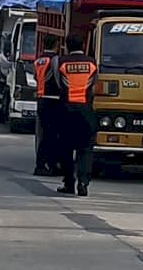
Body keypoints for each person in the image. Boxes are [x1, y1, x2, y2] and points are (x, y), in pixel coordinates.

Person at [54, 36, 98, 197]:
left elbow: (59, 84)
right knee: (86, 149)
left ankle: (69, 183)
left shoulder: (60, 62)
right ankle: (83, 183)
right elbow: (93, 85)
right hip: (86, 111)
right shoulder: (92, 63)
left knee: (65, 149)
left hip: (66, 110)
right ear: (84, 45)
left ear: (66, 46)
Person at [33, 36, 62, 177]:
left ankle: (46, 164)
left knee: (45, 134)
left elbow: (35, 78)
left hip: (41, 99)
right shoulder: (54, 59)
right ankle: (45, 165)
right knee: (51, 135)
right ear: (56, 44)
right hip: (52, 99)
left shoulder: (39, 60)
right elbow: (58, 78)